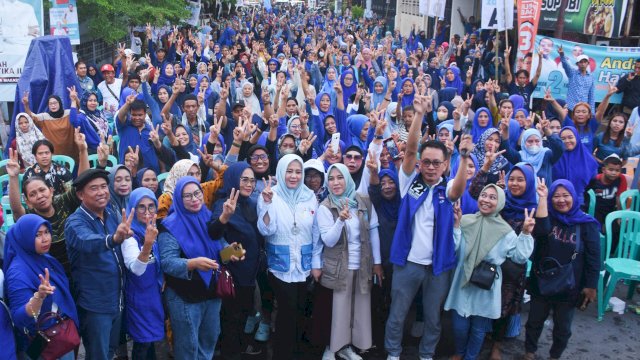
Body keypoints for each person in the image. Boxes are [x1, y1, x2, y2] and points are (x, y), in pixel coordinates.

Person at [384, 94, 473, 360]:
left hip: (438, 266)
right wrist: (420, 114)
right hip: (407, 262)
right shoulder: (410, 182)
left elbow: (458, 190)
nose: (431, 167)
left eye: (437, 163)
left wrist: (465, 158)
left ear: (446, 165)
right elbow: (411, 149)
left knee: (433, 318)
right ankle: (392, 353)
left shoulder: (447, 189)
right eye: (427, 162)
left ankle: (426, 355)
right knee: (398, 315)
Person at [445, 184, 535, 360]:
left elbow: (519, 257)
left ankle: (470, 357)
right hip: (463, 279)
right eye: (484, 195)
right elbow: (454, 249)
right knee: (459, 325)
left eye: (493, 197)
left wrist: (525, 233)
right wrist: (456, 225)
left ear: (500, 202)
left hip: (485, 284)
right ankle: (459, 352)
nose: (486, 200)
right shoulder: (466, 220)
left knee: (479, 327)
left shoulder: (505, 231)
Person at [525, 180, 600, 360]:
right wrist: (542, 199)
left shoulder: (586, 224)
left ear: (574, 197)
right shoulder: (547, 217)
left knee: (563, 328)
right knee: (534, 321)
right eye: (556, 196)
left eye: (566, 195)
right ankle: (529, 352)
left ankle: (555, 356)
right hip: (541, 282)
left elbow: (594, 258)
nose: (561, 200)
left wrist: (591, 286)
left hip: (570, 287)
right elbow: (540, 231)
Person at [257, 154, 322, 359]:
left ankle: (298, 353)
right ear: (281, 171)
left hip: (303, 265)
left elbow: (316, 233)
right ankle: (281, 354)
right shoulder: (270, 194)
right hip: (280, 266)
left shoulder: (310, 196)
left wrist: (316, 263)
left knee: (301, 311)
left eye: (298, 172)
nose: (294, 176)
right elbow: (266, 231)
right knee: (286, 313)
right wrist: (267, 205)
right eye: (289, 171)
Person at [64, 168, 135, 359]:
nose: (101, 192)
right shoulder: (74, 222)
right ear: (80, 195)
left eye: (104, 186)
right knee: (98, 355)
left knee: (111, 350)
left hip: (117, 299)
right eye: (93, 188)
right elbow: (87, 241)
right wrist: (113, 238)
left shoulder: (111, 213)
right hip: (95, 304)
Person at [317, 163, 382, 360]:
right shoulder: (325, 206)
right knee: (339, 312)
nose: (335, 182)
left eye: (340, 177)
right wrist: (340, 220)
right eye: (331, 178)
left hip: (362, 264)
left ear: (348, 179)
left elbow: (373, 231)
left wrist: (377, 263)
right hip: (339, 267)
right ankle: (332, 347)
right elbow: (328, 240)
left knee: (359, 309)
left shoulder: (362, 200)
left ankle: (349, 348)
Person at [158, 176, 227, 359]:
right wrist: (192, 264)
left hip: (211, 293)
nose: (195, 199)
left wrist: (233, 253)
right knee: (188, 348)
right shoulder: (170, 226)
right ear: (179, 200)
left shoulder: (208, 217)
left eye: (197, 193)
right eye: (187, 196)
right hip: (185, 296)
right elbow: (167, 261)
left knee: (209, 342)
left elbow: (220, 247)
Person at [7, 128, 91, 276]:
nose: (39, 195)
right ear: (28, 201)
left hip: (77, 266)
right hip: (48, 273)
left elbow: (82, 183)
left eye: (42, 190)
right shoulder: (31, 219)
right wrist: (13, 177)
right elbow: (16, 210)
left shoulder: (62, 202)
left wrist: (83, 150)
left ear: (51, 191)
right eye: (33, 194)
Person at [3, 215, 80, 360]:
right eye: (37, 235)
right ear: (24, 237)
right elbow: (19, 318)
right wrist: (39, 297)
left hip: (60, 335)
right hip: (45, 345)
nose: (45, 239)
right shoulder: (17, 272)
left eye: (46, 232)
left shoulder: (43, 257)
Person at [208, 163, 263, 357]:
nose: (249, 184)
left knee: (241, 323)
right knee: (230, 326)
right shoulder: (223, 204)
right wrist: (225, 217)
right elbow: (213, 235)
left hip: (250, 276)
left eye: (252, 180)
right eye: (244, 180)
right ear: (233, 180)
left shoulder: (253, 203)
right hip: (231, 277)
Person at [122, 188, 164, 359]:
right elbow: (137, 269)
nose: (147, 212)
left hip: (153, 294)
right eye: (141, 207)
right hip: (138, 298)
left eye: (151, 207)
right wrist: (147, 245)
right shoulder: (129, 236)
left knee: (150, 341)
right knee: (142, 342)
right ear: (133, 208)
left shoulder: (153, 230)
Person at [21, 90, 79, 162]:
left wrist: (75, 98)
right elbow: (30, 117)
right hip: (53, 155)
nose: (53, 105)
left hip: (71, 152)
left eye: (55, 103)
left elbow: (79, 110)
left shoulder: (69, 113)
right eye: (50, 104)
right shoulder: (44, 117)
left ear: (60, 103)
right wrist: (26, 105)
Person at [553, 126, 599, 206]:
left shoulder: (587, 158)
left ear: (577, 138)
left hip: (578, 202)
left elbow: (592, 180)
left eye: (570, 137)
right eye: (563, 139)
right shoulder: (554, 156)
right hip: (556, 202)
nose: (567, 141)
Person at [559, 45, 595, 112]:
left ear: (588, 63)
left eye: (585, 62)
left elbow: (591, 95)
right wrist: (562, 55)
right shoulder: (572, 73)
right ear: (577, 64)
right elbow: (565, 65)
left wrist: (592, 112)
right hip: (571, 107)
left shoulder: (591, 77)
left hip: (583, 109)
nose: (583, 64)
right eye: (581, 62)